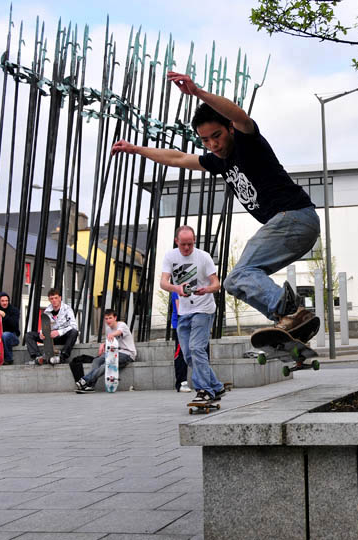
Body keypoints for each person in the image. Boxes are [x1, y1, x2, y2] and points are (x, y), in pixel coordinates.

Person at [111, 70, 320, 335]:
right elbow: (177, 158)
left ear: (229, 129)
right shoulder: (217, 161)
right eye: (206, 140)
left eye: (217, 136)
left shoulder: (247, 141)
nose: (213, 145)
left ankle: (291, 311)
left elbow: (239, 115)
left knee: (243, 274)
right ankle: (288, 323)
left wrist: (197, 92)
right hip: (294, 228)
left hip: (294, 217)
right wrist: (137, 149)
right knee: (234, 281)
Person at [160, 225, 225, 404]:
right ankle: (217, 386)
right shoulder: (170, 256)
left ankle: (204, 390)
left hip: (203, 310)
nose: (187, 248)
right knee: (188, 355)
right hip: (184, 312)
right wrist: (176, 288)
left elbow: (217, 284)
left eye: (190, 244)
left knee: (197, 348)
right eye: (183, 245)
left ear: (194, 241)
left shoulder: (203, 257)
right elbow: (163, 282)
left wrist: (206, 289)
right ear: (176, 242)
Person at [75, 309, 136, 393]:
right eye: (106, 319)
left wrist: (112, 334)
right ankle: (90, 386)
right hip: (114, 353)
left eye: (110, 318)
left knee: (107, 363)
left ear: (115, 318)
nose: (108, 320)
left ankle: (85, 380)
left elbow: (119, 332)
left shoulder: (122, 325)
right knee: (96, 360)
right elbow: (110, 342)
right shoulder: (108, 329)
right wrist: (103, 344)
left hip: (127, 354)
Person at [25, 288, 78, 365]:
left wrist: (59, 332)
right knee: (29, 335)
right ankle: (38, 357)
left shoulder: (67, 309)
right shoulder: (47, 311)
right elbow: (45, 326)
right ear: (49, 300)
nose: (54, 300)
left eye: (56, 298)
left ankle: (62, 356)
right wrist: (42, 333)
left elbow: (74, 326)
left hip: (63, 336)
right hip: (50, 337)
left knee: (74, 332)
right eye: (51, 299)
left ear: (60, 298)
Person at [171, 292, 191, 393]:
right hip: (181, 324)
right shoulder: (177, 289)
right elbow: (180, 310)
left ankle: (206, 380)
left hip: (192, 323)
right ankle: (181, 383)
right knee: (181, 353)